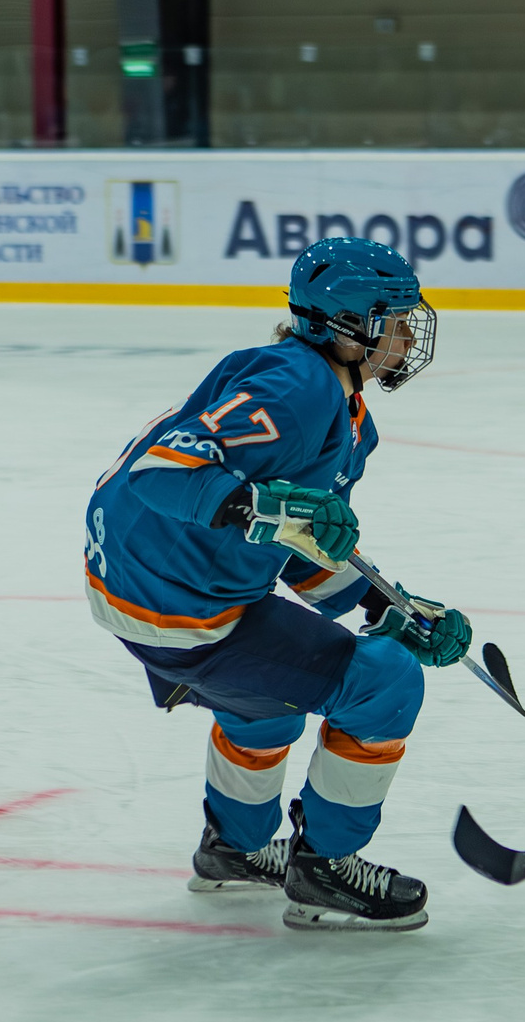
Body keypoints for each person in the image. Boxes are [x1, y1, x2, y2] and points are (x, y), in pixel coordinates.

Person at [86, 238, 472, 931]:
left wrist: (393, 606)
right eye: (393, 316)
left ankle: (233, 848)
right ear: (347, 326)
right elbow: (164, 470)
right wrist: (263, 507)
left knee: (268, 703)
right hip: (179, 603)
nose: (410, 331)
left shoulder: (342, 409)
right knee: (385, 682)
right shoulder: (295, 386)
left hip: (161, 596)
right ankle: (325, 868)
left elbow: (299, 546)